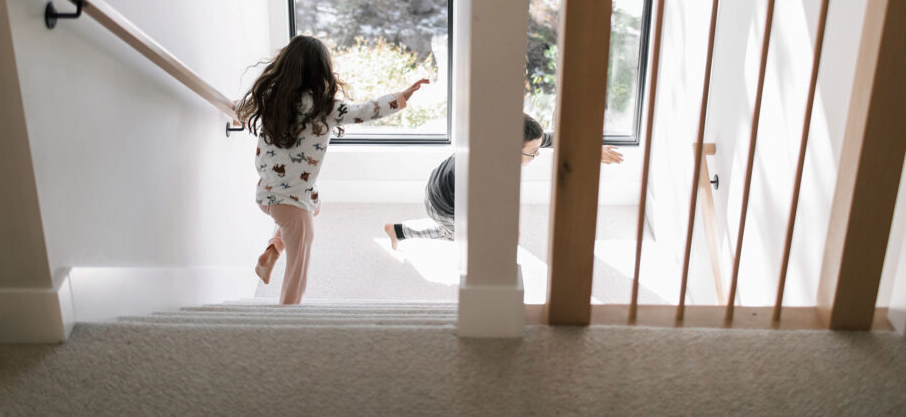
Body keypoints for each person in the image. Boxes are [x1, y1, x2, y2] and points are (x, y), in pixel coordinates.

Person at [237, 35, 428, 304]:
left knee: (313, 205)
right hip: (291, 203)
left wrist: (235, 111)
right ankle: (287, 316)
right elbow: (365, 111)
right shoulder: (324, 108)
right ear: (321, 72)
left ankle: (272, 252)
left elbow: (239, 109)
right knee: (298, 267)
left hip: (267, 195)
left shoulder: (272, 99)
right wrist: (401, 97)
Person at [383, 114, 623, 248]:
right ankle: (400, 231)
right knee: (459, 235)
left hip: (439, 182)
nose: (538, 154)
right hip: (443, 206)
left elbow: (552, 139)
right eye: (533, 152)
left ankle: (398, 231)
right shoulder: (487, 175)